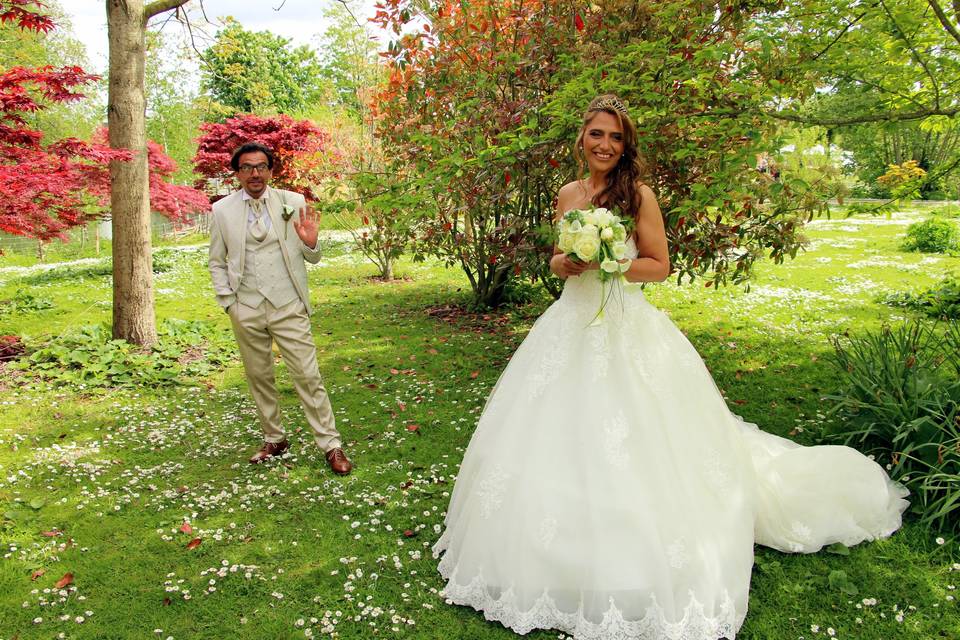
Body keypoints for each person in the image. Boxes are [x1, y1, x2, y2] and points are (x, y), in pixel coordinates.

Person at [432, 95, 907, 639]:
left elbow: (658, 266)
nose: (605, 145)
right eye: (596, 135)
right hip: (569, 324)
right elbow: (558, 261)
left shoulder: (639, 196)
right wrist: (568, 261)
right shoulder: (568, 194)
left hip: (626, 325)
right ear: (581, 139)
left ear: (625, 145)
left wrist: (612, 262)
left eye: (615, 137)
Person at [208, 142, 352, 475]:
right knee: (259, 376)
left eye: (261, 167)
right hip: (246, 307)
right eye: (247, 167)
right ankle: (275, 438)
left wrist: (311, 241)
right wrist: (230, 303)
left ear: (271, 171)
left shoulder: (293, 202)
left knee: (307, 374)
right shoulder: (222, 211)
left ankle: (331, 444)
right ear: (237, 172)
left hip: (287, 303)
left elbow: (312, 257)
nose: (254, 173)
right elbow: (216, 262)